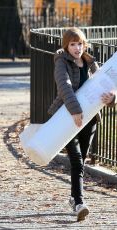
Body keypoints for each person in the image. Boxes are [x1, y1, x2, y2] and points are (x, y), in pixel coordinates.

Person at [48, 27, 116, 221]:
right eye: (72, 44)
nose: (77, 48)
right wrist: (76, 111)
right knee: (76, 159)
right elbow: (64, 87)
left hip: (90, 120)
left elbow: (108, 85)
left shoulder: (91, 63)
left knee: (81, 161)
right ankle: (79, 203)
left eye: (80, 44)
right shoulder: (61, 62)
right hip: (67, 117)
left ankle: (73, 198)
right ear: (66, 46)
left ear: (85, 45)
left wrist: (112, 98)